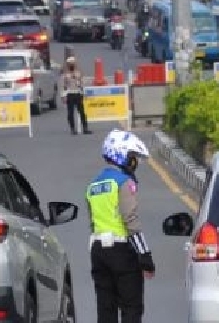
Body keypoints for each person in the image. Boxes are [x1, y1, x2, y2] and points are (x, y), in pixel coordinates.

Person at [86, 130, 155, 323]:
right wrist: (145, 256)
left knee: (105, 309)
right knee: (131, 307)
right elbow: (130, 220)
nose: (135, 162)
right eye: (132, 157)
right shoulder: (123, 182)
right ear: (121, 155)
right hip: (122, 252)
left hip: (98, 252)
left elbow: (93, 222)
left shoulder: (93, 186)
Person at [61, 56, 91, 135]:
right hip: (69, 94)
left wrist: (84, 93)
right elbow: (63, 86)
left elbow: (82, 83)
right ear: (68, 65)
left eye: (73, 63)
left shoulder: (78, 73)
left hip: (78, 93)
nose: (72, 65)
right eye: (70, 64)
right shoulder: (65, 74)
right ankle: (72, 129)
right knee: (70, 113)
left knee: (82, 112)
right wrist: (63, 96)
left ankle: (85, 128)